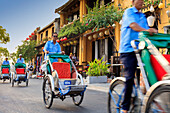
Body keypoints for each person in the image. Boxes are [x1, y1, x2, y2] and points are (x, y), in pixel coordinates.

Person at [119, 0, 157, 113]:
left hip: (140, 49)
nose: (141, 2)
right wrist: (147, 30)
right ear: (133, 2)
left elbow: (146, 33)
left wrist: (152, 32)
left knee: (149, 73)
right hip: (128, 50)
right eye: (139, 0)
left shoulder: (142, 15)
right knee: (130, 78)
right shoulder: (128, 12)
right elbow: (133, 25)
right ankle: (124, 108)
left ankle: (149, 98)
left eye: (142, 0)